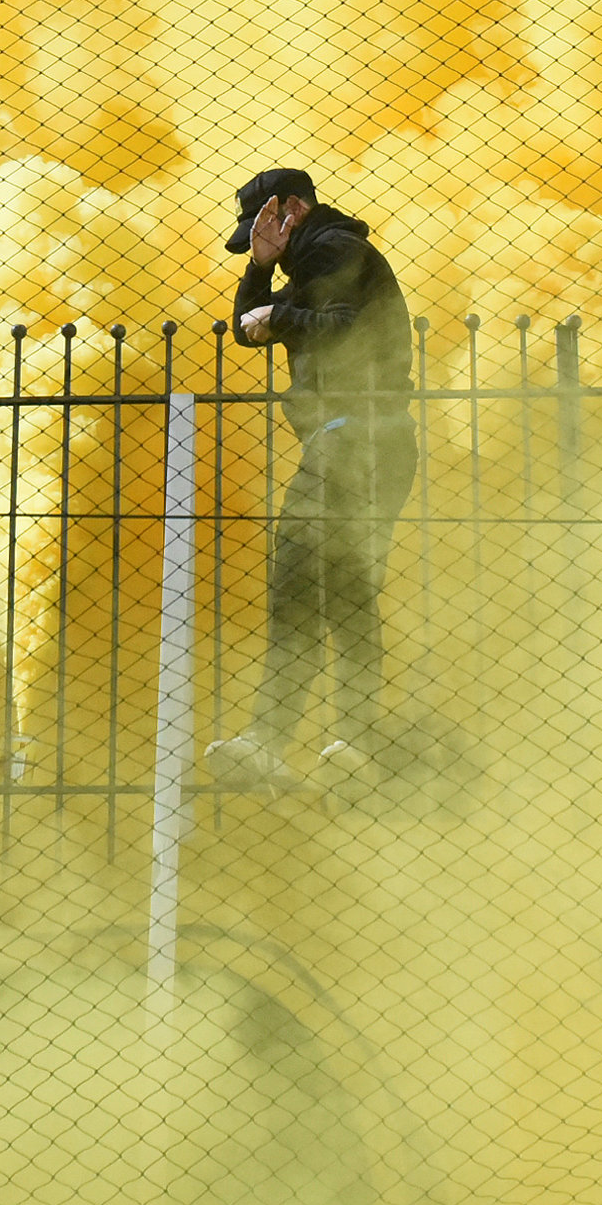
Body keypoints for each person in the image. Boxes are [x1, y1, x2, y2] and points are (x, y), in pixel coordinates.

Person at [206, 168, 416, 794]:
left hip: (355, 439)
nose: (257, 241)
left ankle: (270, 741)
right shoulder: (313, 260)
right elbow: (251, 329)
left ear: (293, 207)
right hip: (366, 442)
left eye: (264, 228)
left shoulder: (333, 250)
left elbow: (345, 325)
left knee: (296, 584)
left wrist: (283, 316)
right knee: (346, 592)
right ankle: (352, 738)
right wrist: (261, 273)